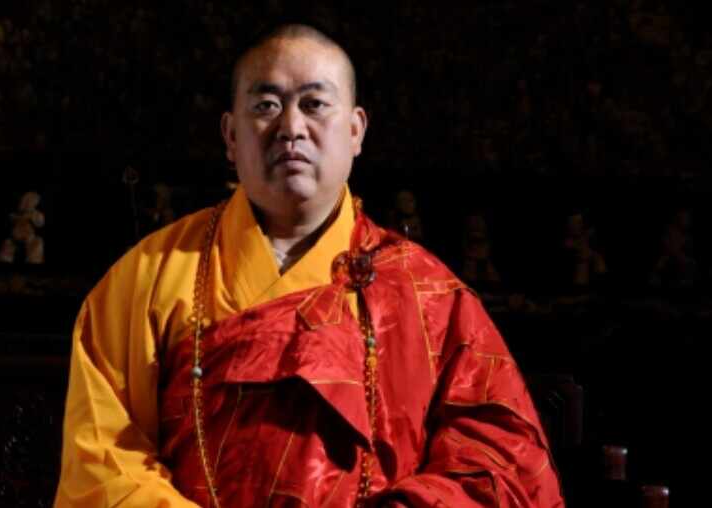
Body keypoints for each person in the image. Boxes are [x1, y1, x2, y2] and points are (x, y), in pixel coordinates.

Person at [54, 24, 564, 508]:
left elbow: (501, 464)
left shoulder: (429, 295)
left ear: (356, 130)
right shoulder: (146, 278)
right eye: (266, 106)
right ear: (230, 135)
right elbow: (104, 463)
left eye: (314, 104)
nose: (290, 128)